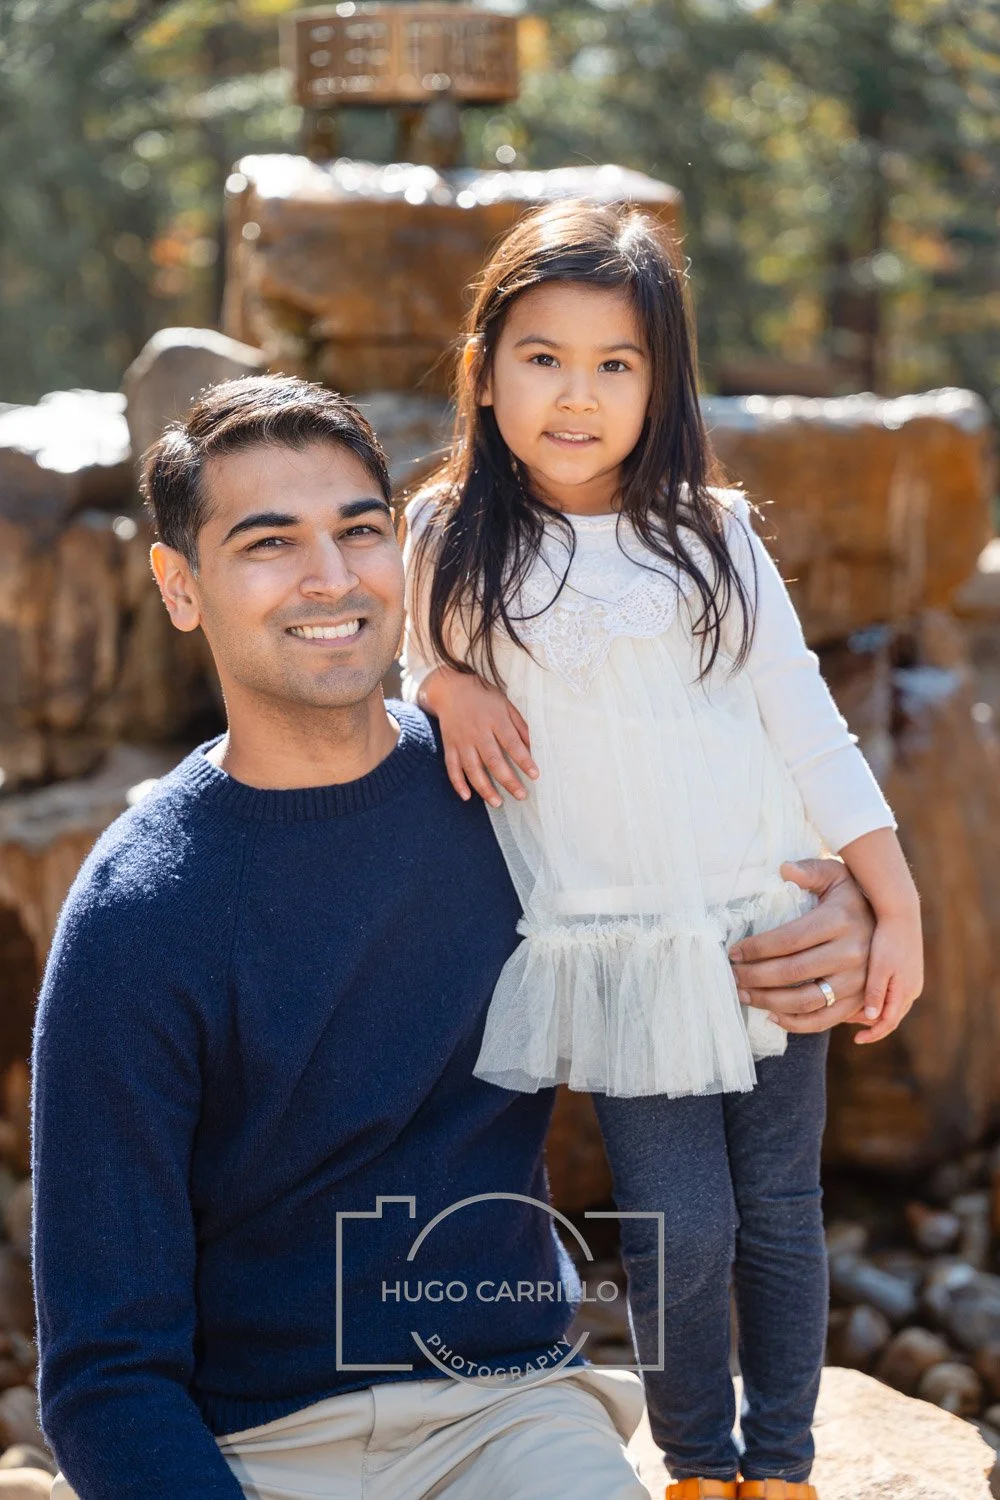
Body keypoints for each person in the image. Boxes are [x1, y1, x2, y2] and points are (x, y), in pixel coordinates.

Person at [31, 375, 880, 1500]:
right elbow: (104, 1371)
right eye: (268, 544)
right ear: (179, 587)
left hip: (513, 1414)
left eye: (360, 531)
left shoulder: (517, 796)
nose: (331, 579)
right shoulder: (139, 918)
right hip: (257, 1451)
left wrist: (843, 906)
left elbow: (708, 856)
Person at [400, 201, 923, 1500]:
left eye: (614, 364)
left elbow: (804, 722)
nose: (575, 395)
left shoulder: (711, 534)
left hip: (765, 912)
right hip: (616, 943)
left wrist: (894, 904)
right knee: (682, 1225)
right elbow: (412, 689)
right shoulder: (447, 539)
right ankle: (699, 1461)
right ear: (484, 366)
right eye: (543, 356)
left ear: (660, 383)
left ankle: (783, 1467)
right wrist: (441, 685)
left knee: (780, 1216)